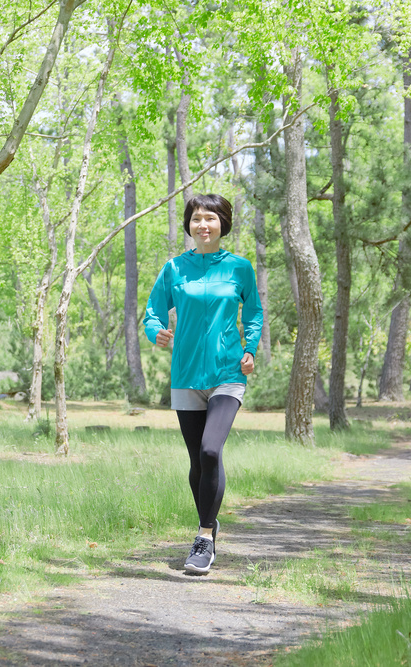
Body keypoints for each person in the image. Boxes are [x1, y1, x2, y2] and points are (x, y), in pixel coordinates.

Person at [143, 193, 263, 574]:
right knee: (197, 460)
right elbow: (152, 313)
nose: (203, 225)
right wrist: (156, 332)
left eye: (210, 218)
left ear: (222, 223)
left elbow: (255, 312)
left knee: (211, 451)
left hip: (228, 374)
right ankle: (208, 524)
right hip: (186, 375)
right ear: (189, 225)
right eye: (196, 219)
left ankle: (205, 535)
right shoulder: (174, 268)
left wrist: (250, 347)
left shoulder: (240, 268)